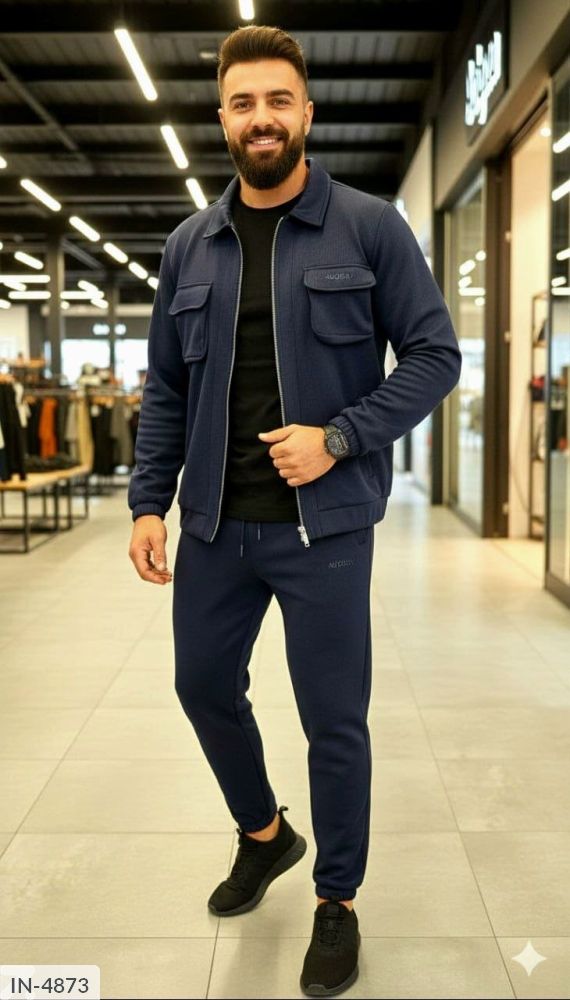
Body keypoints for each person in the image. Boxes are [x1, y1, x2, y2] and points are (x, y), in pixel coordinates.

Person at [128, 24, 461, 998]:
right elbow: (165, 389)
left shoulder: (367, 227)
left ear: (307, 113)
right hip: (214, 525)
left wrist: (341, 437)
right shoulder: (190, 245)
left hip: (325, 529)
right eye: (244, 102)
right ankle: (265, 833)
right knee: (201, 685)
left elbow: (435, 355)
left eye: (278, 100)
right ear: (223, 118)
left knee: (333, 722)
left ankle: (336, 900)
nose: (262, 117)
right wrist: (148, 503)